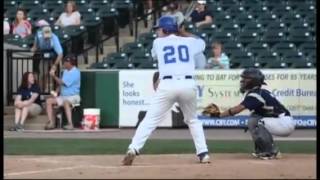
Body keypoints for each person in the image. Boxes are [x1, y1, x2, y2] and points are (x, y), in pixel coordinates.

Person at [122, 16, 210, 166]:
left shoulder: (158, 43)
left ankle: (133, 149)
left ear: (165, 29)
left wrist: (177, 32)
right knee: (193, 120)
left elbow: (157, 53)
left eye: (159, 29)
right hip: (188, 84)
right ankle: (203, 154)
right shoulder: (189, 42)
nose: (157, 32)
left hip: (167, 84)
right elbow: (202, 42)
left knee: (149, 120)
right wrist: (184, 32)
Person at [218, 68, 295, 159]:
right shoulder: (258, 92)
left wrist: (219, 115)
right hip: (281, 121)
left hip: (284, 123)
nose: (242, 81)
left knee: (259, 123)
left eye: (246, 78)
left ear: (253, 81)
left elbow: (236, 110)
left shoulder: (255, 95)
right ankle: (262, 150)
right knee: (253, 120)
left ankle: (270, 152)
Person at [45, 54, 81, 130]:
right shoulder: (65, 71)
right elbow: (60, 85)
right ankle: (51, 123)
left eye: (66, 62)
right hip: (63, 96)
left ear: (70, 63)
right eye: (64, 61)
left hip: (74, 97)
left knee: (66, 102)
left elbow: (63, 83)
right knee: (49, 101)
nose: (64, 63)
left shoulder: (76, 72)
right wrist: (55, 93)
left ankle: (70, 124)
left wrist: (53, 76)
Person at [31, 22, 63, 92]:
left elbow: (60, 54)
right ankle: (41, 92)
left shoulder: (54, 37)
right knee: (43, 74)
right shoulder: (38, 35)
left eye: (48, 36)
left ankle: (57, 92)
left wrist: (54, 65)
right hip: (43, 55)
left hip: (54, 56)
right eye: (45, 36)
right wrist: (31, 52)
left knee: (56, 74)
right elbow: (35, 46)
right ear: (42, 34)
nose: (47, 38)